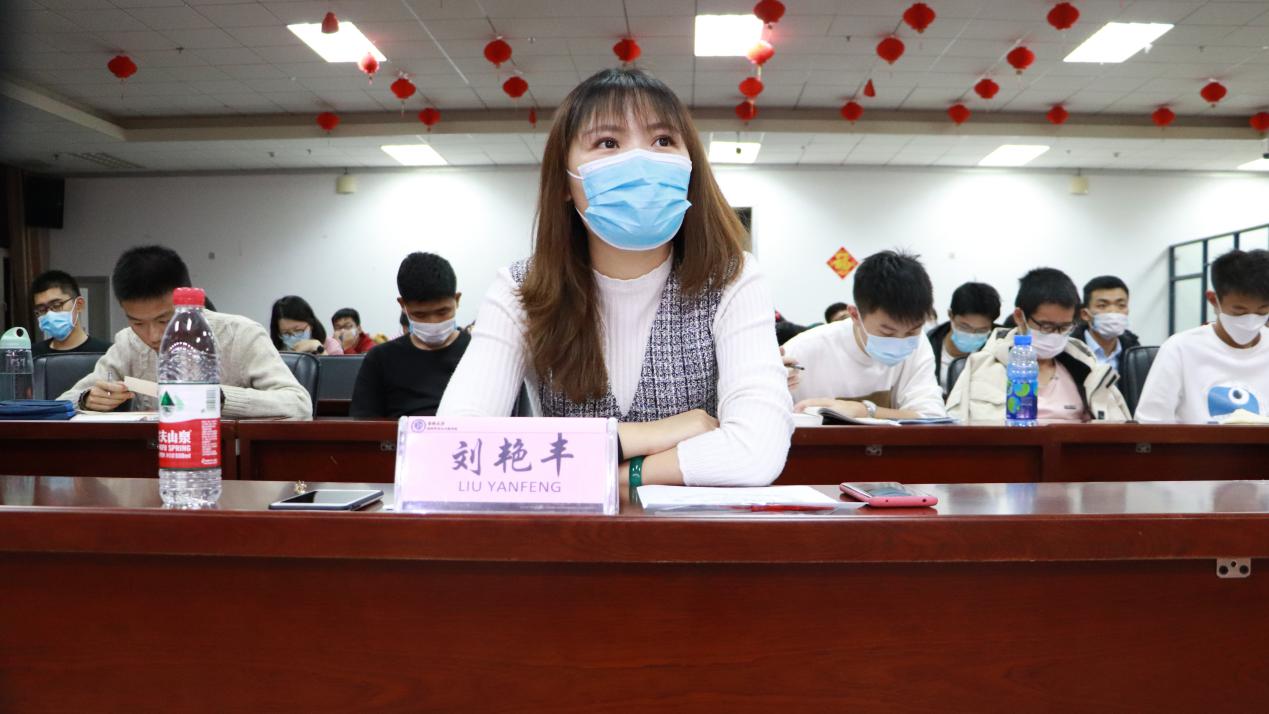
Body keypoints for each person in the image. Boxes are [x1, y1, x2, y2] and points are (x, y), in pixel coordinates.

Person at [438, 67, 793, 489]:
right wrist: (648, 435)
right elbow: (453, 448)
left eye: (663, 141)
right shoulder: (521, 287)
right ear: (565, 180)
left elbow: (756, 452)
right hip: (568, 531)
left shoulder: (732, 278)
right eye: (608, 143)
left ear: (690, 167)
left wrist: (613, 475)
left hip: (695, 530)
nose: (641, 162)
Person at [60, 246, 311, 419]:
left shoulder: (240, 335)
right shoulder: (128, 343)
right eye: (137, 323)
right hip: (152, 466)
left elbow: (299, 404)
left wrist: (217, 398)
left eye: (164, 320)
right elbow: (61, 403)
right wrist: (86, 399)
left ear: (192, 303)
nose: (153, 336)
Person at [946, 268, 1130, 423]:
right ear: (1020, 317)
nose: (1055, 335)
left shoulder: (1087, 367)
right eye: (1046, 326)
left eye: (1065, 327)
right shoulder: (982, 366)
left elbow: (1119, 432)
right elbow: (955, 432)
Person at [782, 251, 946, 420]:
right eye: (887, 332)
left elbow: (933, 418)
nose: (900, 340)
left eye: (912, 331)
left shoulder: (919, 343)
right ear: (855, 315)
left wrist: (864, 411)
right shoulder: (802, 351)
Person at [1137, 249, 1269, 424]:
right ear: (1214, 300)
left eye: (1262, 310)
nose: (1251, 320)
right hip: (1195, 443)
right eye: (1239, 311)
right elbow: (1151, 423)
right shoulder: (1180, 348)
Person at [351, 253, 471, 419]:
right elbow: (363, 422)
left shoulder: (478, 351)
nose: (433, 322)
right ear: (403, 305)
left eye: (443, 312)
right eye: (420, 315)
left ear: (457, 300)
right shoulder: (381, 359)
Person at [926, 282, 1001, 391]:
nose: (972, 335)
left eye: (981, 330)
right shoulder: (928, 345)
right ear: (951, 315)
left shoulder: (998, 350)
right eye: (965, 327)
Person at [29, 270, 111, 357]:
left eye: (56, 305)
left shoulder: (107, 354)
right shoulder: (32, 356)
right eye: (42, 309)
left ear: (79, 305)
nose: (49, 314)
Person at [1072, 275, 1139, 373]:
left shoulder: (1135, 351)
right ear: (1085, 314)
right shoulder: (1069, 352)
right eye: (1102, 305)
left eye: (1121, 305)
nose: (1113, 311)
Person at [269, 296, 339, 355]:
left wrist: (319, 350)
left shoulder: (331, 346)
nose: (293, 337)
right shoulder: (273, 351)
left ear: (311, 324)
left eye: (298, 330)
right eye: (286, 333)